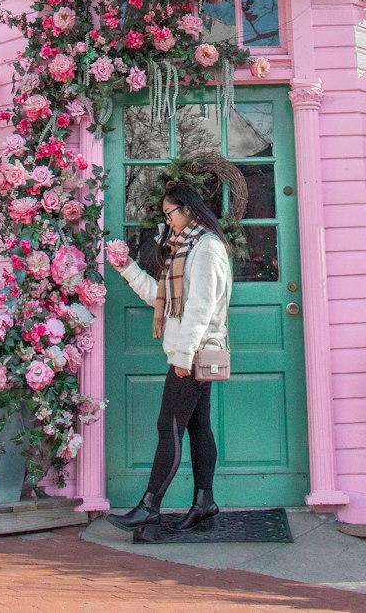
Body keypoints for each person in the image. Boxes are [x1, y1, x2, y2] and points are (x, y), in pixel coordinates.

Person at [105, 181, 232, 531]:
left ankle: (150, 505)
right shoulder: (183, 250)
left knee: (169, 425)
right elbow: (162, 300)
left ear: (188, 209)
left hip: (193, 354)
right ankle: (204, 501)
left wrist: (184, 355)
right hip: (188, 351)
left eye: (170, 213)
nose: (167, 221)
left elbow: (201, 307)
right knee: (196, 425)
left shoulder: (206, 248)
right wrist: (126, 267)